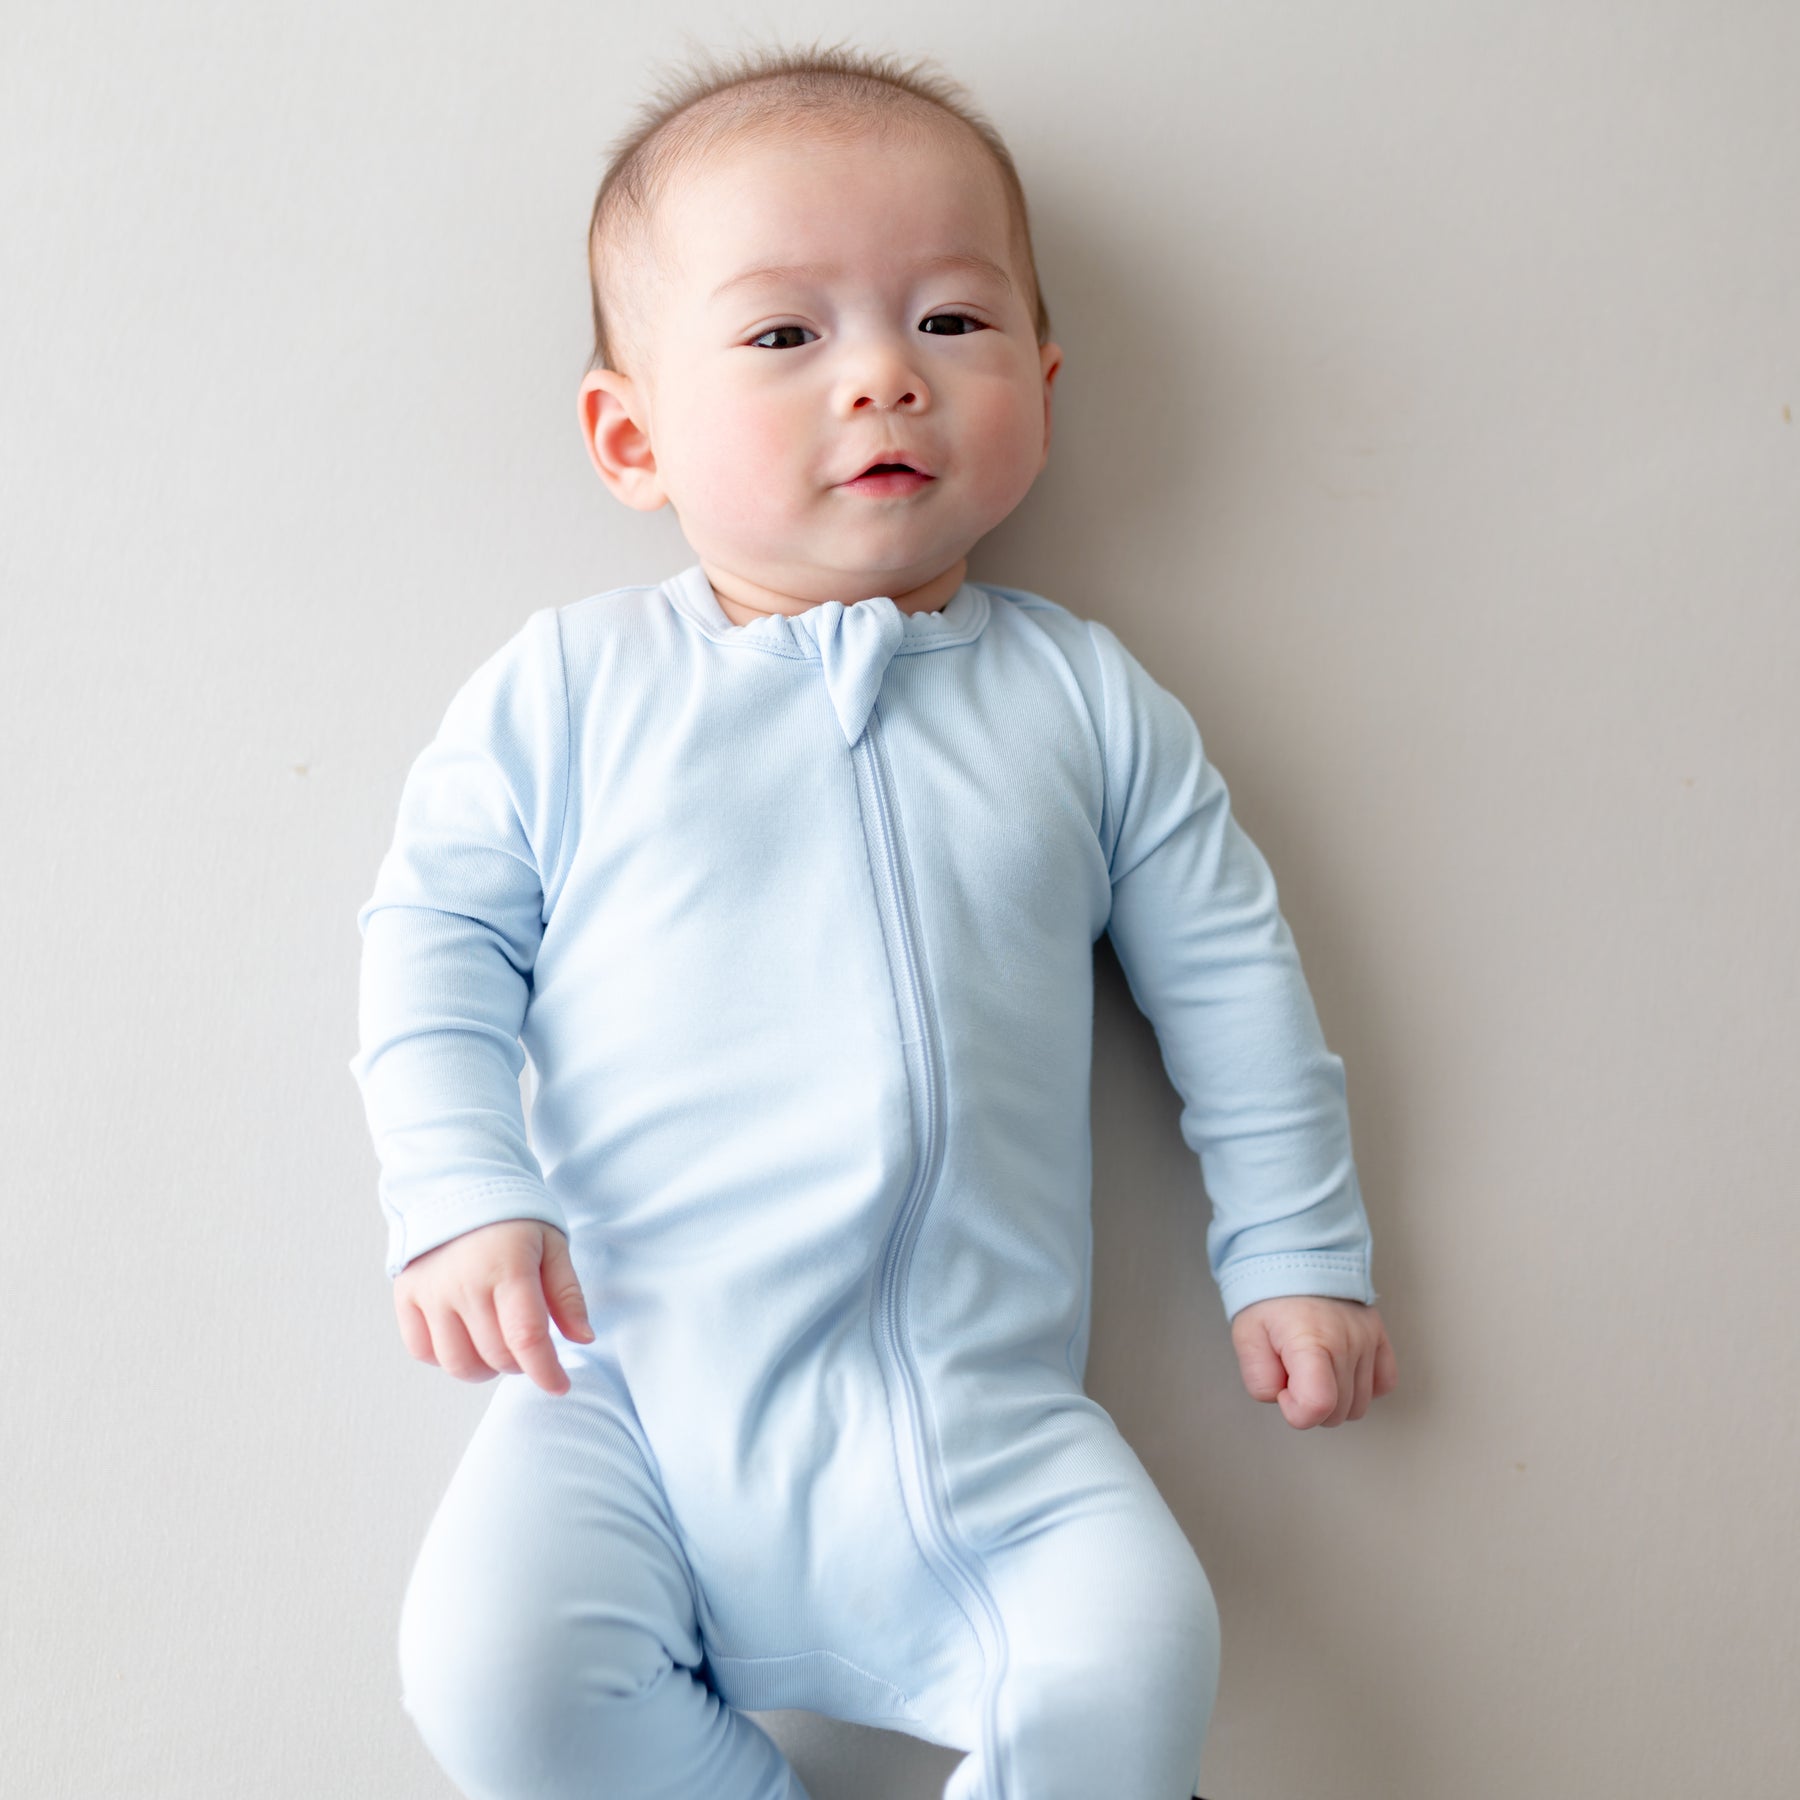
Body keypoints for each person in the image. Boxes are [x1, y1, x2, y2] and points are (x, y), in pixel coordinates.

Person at [347, 38, 1398, 1800]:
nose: (884, 383)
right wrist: (457, 1190)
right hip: (625, 1387)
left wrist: (1298, 1245)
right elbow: (431, 949)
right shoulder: (570, 692)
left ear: (1045, 389)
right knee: (490, 1669)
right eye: (784, 336)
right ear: (631, 435)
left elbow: (1232, 980)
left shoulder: (1084, 702)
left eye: (952, 325)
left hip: (987, 1420)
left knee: (1137, 1658)